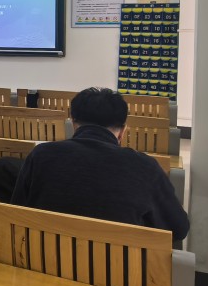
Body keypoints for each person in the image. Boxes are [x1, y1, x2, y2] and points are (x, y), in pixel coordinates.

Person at [11, 87, 189, 240]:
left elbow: (17, 210)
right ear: (123, 131)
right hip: (119, 268)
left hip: (45, 261)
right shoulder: (145, 167)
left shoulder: (41, 155)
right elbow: (178, 229)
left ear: (73, 123)